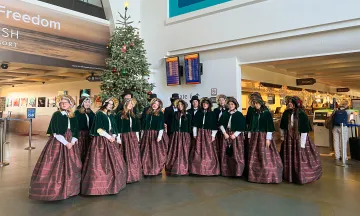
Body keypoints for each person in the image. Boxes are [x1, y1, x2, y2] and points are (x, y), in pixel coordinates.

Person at [29, 94, 81, 201]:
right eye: (61, 103)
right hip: (59, 141)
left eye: (65, 103)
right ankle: (55, 190)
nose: (63, 104)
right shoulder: (57, 114)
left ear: (70, 104)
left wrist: (73, 141)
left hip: (71, 141)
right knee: (55, 164)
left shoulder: (73, 115)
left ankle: (71, 189)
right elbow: (56, 132)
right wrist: (66, 143)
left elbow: (76, 130)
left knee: (72, 164)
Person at [81, 97, 127, 195]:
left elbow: (113, 127)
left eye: (111, 104)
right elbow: (98, 128)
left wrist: (114, 135)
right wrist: (108, 136)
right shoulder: (99, 114)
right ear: (104, 104)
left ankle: (114, 183)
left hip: (110, 138)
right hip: (101, 139)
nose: (110, 106)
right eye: (108, 104)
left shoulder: (110, 114)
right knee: (100, 161)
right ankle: (100, 186)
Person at [280, 96, 322, 184]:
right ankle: (289, 175)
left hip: (299, 137)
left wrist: (302, 144)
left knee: (300, 156)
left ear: (296, 103)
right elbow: (283, 126)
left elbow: (304, 130)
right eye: (289, 102)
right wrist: (283, 137)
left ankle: (301, 175)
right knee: (288, 156)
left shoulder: (302, 114)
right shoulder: (286, 113)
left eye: (291, 102)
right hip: (289, 139)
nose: (290, 104)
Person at [247, 95, 283, 184]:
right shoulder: (254, 113)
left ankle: (268, 175)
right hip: (255, 136)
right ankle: (254, 175)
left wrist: (268, 139)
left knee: (265, 154)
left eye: (257, 103)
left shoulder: (266, 113)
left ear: (261, 103)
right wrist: (249, 136)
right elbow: (251, 126)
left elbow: (269, 127)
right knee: (254, 154)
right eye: (254, 103)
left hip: (263, 136)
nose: (256, 105)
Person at [189, 97, 220, 176]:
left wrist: (213, 135)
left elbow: (214, 125)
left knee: (209, 151)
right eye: (203, 104)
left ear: (209, 105)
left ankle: (209, 170)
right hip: (200, 133)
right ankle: (197, 170)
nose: (205, 105)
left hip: (208, 134)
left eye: (206, 104)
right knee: (197, 150)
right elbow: (195, 125)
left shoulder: (212, 114)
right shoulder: (198, 113)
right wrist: (195, 134)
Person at [140, 98, 169, 176]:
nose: (154, 105)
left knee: (155, 153)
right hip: (146, 134)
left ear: (159, 105)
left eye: (156, 104)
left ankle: (155, 169)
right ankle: (146, 169)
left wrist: (159, 136)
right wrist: (142, 135)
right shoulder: (147, 112)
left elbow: (161, 126)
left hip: (155, 135)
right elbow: (143, 124)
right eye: (153, 103)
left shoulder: (160, 113)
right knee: (146, 153)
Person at [116, 98, 142, 183]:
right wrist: (118, 137)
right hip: (124, 136)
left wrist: (137, 137)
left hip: (132, 136)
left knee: (133, 155)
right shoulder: (120, 114)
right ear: (126, 104)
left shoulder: (133, 114)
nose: (131, 105)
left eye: (132, 104)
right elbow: (118, 126)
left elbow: (136, 127)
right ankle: (125, 176)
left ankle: (133, 174)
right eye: (129, 104)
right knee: (125, 154)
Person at [219, 97, 246, 177]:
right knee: (226, 152)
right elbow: (221, 124)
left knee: (236, 153)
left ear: (235, 105)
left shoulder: (239, 114)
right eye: (229, 104)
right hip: (226, 134)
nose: (230, 106)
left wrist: (235, 134)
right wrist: (224, 133)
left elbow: (242, 126)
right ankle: (226, 171)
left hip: (236, 135)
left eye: (232, 104)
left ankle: (237, 172)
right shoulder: (225, 114)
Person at [165, 99, 192, 175]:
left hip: (184, 134)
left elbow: (189, 126)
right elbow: (172, 124)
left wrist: (188, 135)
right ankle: (175, 167)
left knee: (184, 151)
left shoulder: (188, 114)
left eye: (181, 105)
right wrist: (173, 133)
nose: (180, 106)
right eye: (179, 105)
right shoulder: (175, 114)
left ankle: (183, 168)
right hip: (176, 134)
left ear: (184, 106)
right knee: (175, 151)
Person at [74, 96, 95, 162]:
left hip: (89, 134)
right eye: (85, 101)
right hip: (80, 134)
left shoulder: (91, 112)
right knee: (81, 149)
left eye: (89, 102)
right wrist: (75, 136)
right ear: (82, 103)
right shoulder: (77, 112)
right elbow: (74, 125)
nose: (87, 103)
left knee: (88, 150)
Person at [214, 94, 228, 164]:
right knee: (218, 146)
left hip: (225, 131)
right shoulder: (216, 110)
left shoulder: (228, 109)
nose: (221, 101)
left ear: (225, 101)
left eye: (223, 100)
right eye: (220, 100)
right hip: (217, 131)